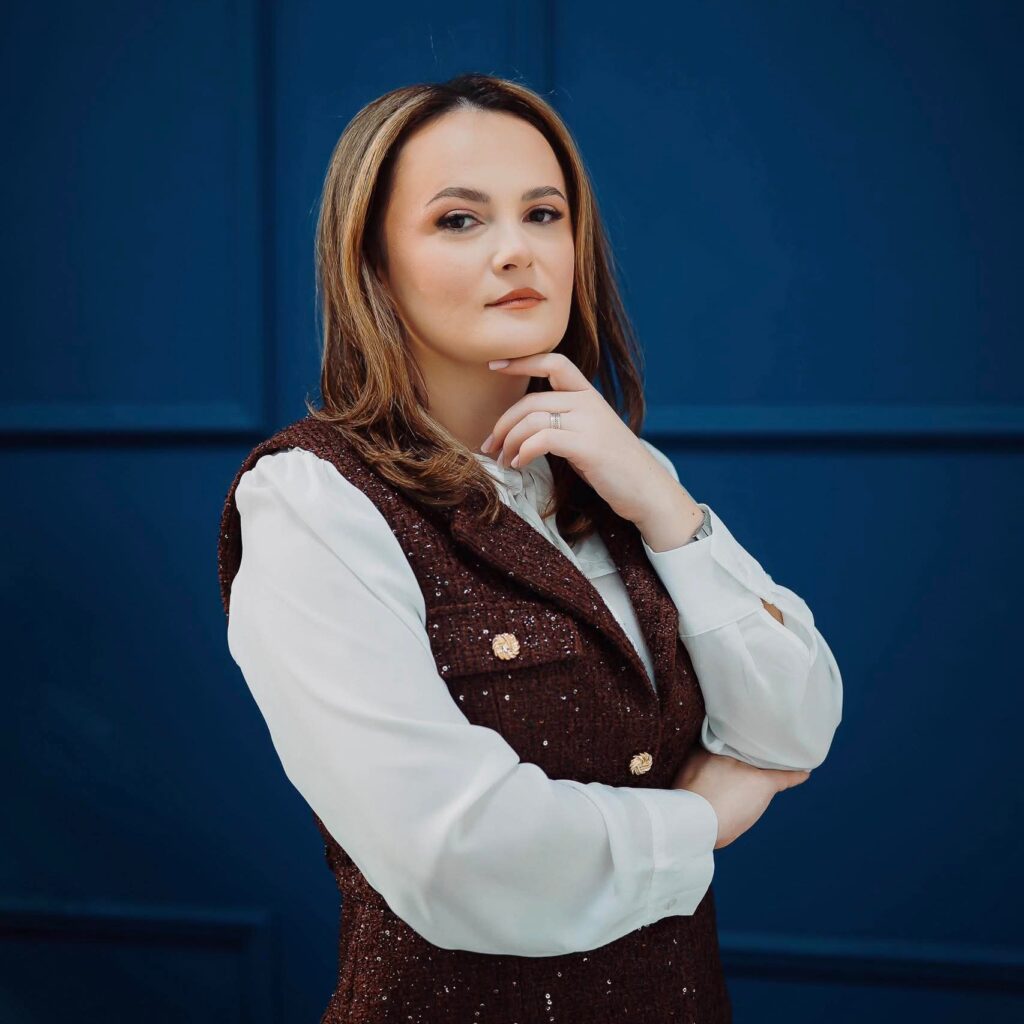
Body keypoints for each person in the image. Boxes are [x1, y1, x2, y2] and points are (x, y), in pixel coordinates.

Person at [217, 72, 842, 1024]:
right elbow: (454, 855)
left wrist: (663, 504)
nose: (518, 250)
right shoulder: (315, 500)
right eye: (459, 220)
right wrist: (708, 819)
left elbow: (795, 721)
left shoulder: (613, 470)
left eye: (544, 214)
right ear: (372, 262)